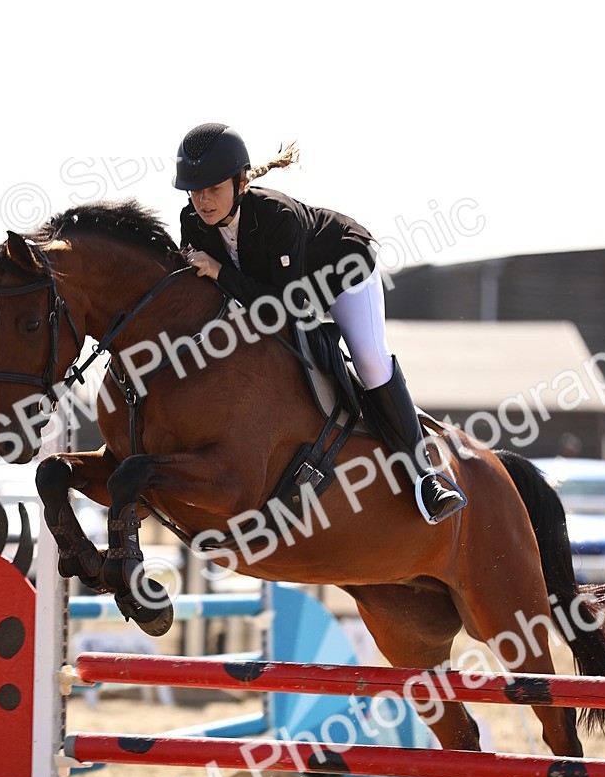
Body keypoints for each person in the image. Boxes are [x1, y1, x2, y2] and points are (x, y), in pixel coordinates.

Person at [173, 122, 463, 525]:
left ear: (240, 184)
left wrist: (221, 273)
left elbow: (290, 306)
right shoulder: (191, 222)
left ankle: (425, 478)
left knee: (369, 360)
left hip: (342, 273)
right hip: (278, 291)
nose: (203, 201)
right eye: (195, 190)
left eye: (213, 189)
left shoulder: (277, 218)